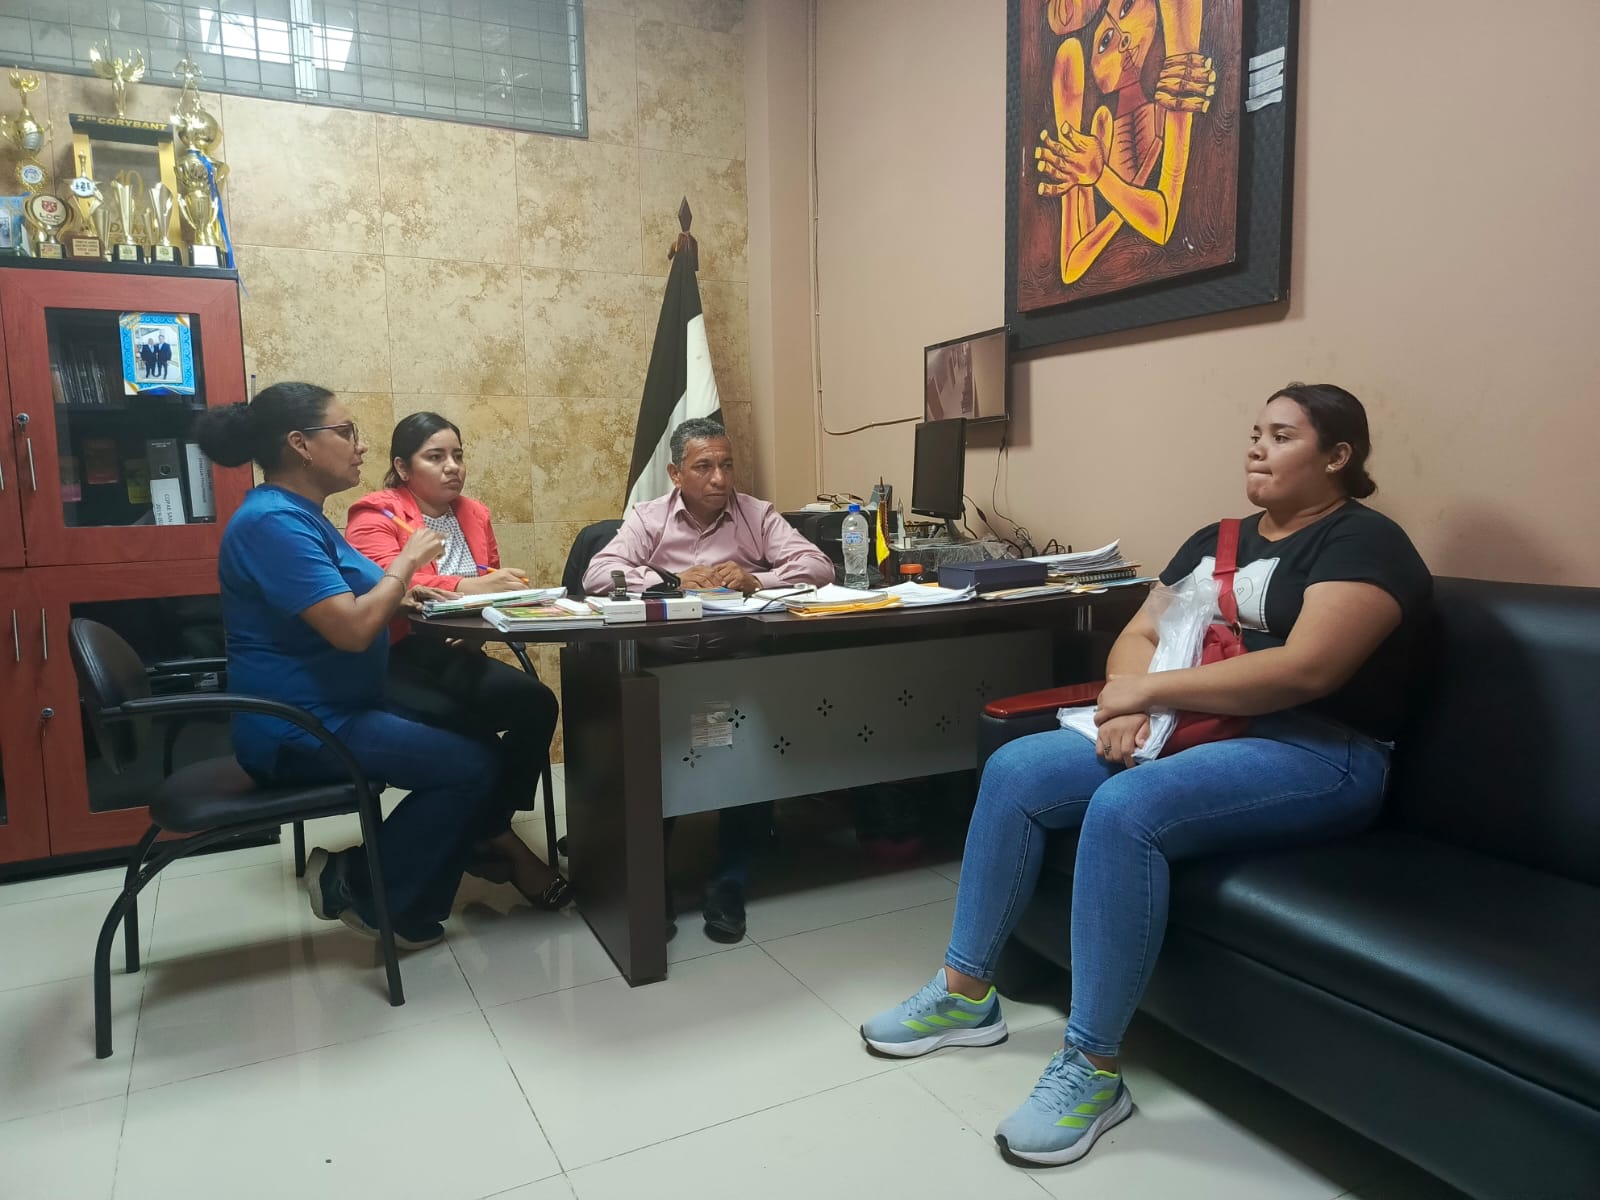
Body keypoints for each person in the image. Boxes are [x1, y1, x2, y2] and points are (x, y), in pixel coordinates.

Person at [860, 383, 1432, 1168]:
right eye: (1255, 431)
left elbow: (1308, 670)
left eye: (1282, 436)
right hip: (1196, 726)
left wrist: (1150, 695)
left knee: (1128, 807)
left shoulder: (1363, 544)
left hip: (1321, 749)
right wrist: (1125, 703)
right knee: (1018, 767)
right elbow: (1140, 632)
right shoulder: (1215, 538)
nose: (1257, 447)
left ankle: (1092, 1069)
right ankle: (965, 995)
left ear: (1337, 457)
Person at [193, 382, 507, 949]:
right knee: (471, 767)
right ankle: (360, 886)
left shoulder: (300, 515)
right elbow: (354, 630)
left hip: (340, 706)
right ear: (300, 444)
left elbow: (355, 596)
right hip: (300, 728)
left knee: (478, 730)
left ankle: (400, 889)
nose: (359, 445)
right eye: (345, 432)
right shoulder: (273, 524)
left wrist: (409, 594)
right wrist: (406, 566)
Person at [584, 417, 836, 941]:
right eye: (703, 467)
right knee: (657, 767)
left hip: (733, 665)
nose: (719, 478)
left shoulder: (756, 514)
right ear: (676, 473)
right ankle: (653, 883)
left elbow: (819, 566)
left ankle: (729, 882)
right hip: (660, 667)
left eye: (726, 465)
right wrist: (668, 580)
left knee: (747, 764)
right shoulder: (649, 517)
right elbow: (599, 574)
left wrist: (757, 579)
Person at [344, 411, 566, 909]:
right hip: (394, 656)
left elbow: (494, 587)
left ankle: (488, 827)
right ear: (403, 467)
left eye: (458, 455)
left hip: (455, 651)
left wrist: (482, 620)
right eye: (436, 456)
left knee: (537, 702)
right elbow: (386, 583)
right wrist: (472, 586)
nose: (453, 467)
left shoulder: (475, 513)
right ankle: (497, 838)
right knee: (471, 734)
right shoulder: (374, 513)